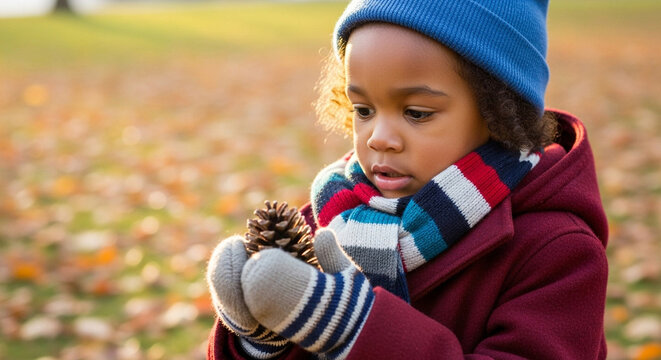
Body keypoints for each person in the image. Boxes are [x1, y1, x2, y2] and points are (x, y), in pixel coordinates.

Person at [206, 0, 609, 359]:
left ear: (499, 113)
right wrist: (259, 341)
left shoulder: (557, 251)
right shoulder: (334, 212)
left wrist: (355, 328)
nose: (378, 137)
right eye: (363, 109)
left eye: (416, 112)